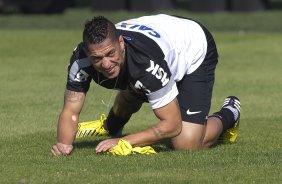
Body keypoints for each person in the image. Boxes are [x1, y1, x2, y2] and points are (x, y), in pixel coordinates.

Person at [50, 14, 241, 156]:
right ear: (87, 52)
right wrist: (64, 145)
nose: (106, 64)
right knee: (134, 85)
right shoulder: (80, 59)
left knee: (186, 143)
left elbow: (172, 125)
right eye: (97, 58)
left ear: (121, 43)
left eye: (110, 54)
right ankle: (111, 126)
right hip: (160, 36)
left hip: (193, 47)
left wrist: (125, 141)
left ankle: (230, 113)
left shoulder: (145, 64)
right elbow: (71, 111)